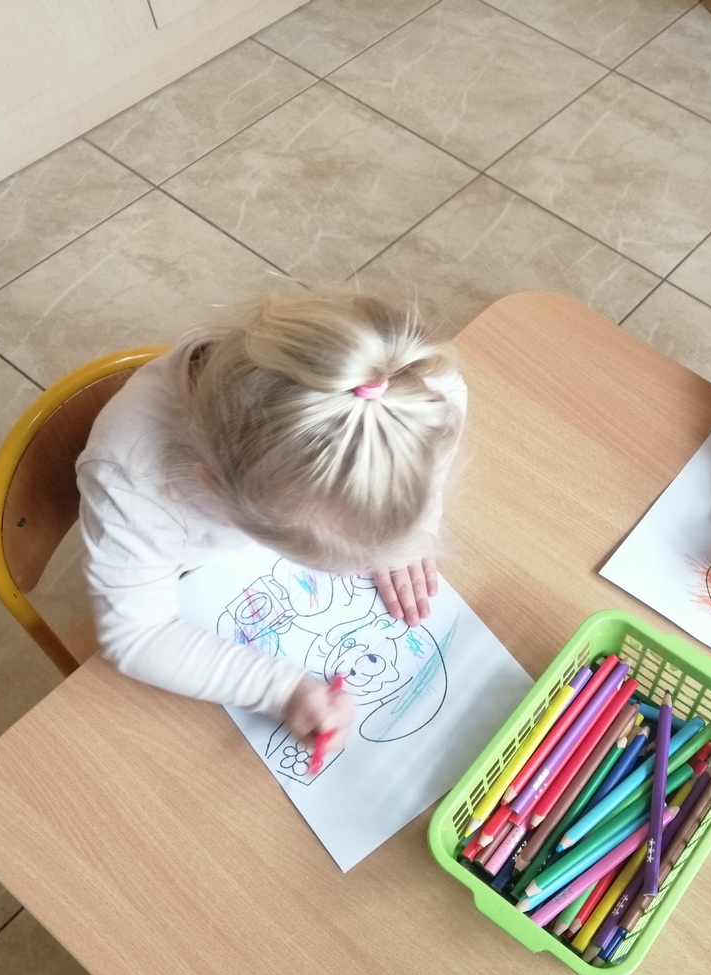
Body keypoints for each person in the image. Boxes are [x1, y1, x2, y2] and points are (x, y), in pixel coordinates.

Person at [77, 291, 466, 755]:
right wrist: (279, 690)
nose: (355, 575)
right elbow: (137, 634)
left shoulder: (398, 383)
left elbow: (452, 389)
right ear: (214, 486)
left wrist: (410, 530)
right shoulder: (131, 480)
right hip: (172, 570)